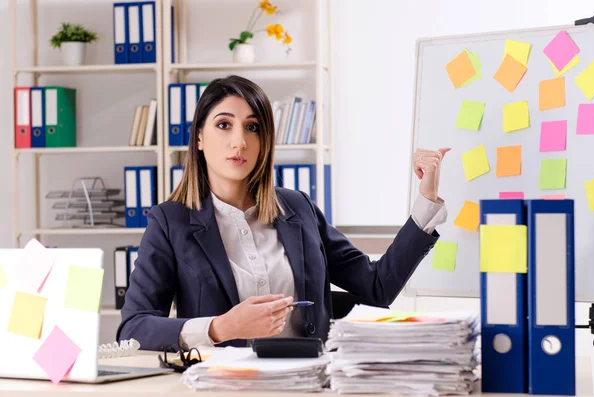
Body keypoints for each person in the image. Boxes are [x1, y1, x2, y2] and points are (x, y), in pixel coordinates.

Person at [116, 75, 450, 351]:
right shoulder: (170, 222)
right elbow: (134, 327)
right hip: (225, 386)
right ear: (199, 137)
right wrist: (220, 327)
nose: (239, 141)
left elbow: (377, 286)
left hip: (310, 381)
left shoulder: (299, 208)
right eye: (223, 125)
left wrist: (426, 201)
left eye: (252, 127)